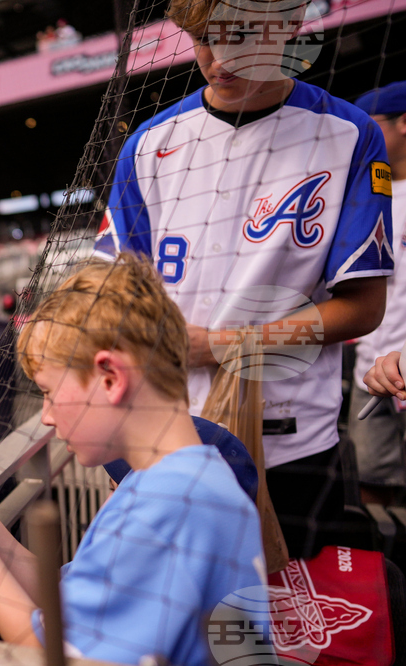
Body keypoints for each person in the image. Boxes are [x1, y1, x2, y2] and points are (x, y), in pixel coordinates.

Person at [96, 0, 394, 558]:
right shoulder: (149, 144)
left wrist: (223, 347)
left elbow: (362, 306)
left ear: (286, 25)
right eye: (203, 39)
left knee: (291, 626)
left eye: (238, 35)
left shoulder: (348, 133)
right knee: (177, 631)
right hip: (168, 437)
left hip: (291, 440)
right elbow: (117, 294)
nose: (217, 58)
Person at [0, 254, 264, 666]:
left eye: (50, 392)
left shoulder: (172, 504)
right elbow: (60, 597)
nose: (47, 416)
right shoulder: (169, 481)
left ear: (110, 378)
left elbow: (46, 651)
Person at [349, 81, 406, 507]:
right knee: (369, 480)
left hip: (403, 366)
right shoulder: (365, 194)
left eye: (369, 125)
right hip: (371, 369)